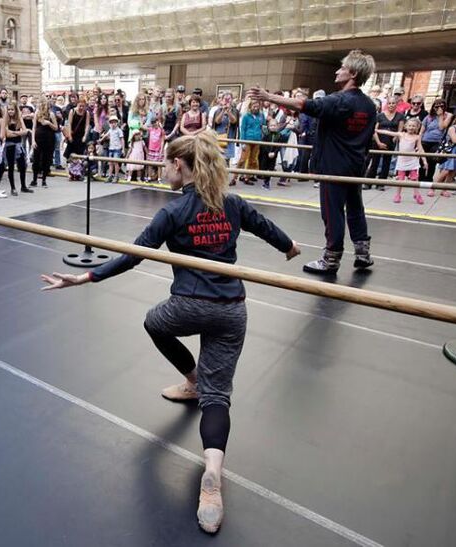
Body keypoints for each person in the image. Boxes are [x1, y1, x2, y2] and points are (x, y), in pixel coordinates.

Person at [41, 132, 300, 535]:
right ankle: (211, 473)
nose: (163, 169)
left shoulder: (174, 211)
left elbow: (133, 256)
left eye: (166, 163)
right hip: (232, 310)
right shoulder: (231, 203)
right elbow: (265, 227)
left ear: (179, 166)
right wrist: (290, 247)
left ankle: (192, 379)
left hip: (187, 307)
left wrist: (85, 277)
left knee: (152, 322)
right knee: (219, 397)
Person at [248, 49, 377, 274]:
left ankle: (331, 259)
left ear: (353, 73)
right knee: (355, 208)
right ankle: (363, 252)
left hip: (334, 167)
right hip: (356, 164)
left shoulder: (340, 101)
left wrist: (269, 97)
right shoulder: (368, 105)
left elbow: (303, 105)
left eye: (342, 68)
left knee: (333, 211)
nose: (337, 71)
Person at [375, 118, 428, 204]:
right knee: (401, 179)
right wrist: (376, 130)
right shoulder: (401, 134)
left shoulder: (417, 137)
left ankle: (417, 194)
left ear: (417, 127)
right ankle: (398, 195)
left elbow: (421, 149)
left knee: (414, 179)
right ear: (406, 126)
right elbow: (388, 132)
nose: (411, 127)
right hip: (402, 160)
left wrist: (424, 161)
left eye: (413, 126)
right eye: (410, 125)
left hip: (412, 160)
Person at [365, 98, 403, 189]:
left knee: (386, 163)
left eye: (393, 103)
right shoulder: (380, 116)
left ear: (396, 104)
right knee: (374, 162)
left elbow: (400, 130)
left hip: (391, 141)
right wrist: (378, 142)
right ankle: (368, 183)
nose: (391, 105)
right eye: (389, 103)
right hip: (378, 140)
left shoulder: (400, 116)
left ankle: (381, 184)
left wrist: (395, 138)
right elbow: (374, 130)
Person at [432, 109, 456, 195]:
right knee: (446, 170)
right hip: (452, 150)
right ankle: (433, 188)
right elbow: (455, 140)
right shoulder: (452, 128)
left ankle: (444, 189)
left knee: (453, 172)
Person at [420, 99, 453, 183]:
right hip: (425, 140)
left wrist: (441, 116)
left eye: (442, 106)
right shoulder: (428, 117)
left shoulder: (448, 115)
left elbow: (442, 127)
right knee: (422, 160)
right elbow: (422, 131)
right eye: (437, 106)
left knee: (432, 161)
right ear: (433, 107)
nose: (439, 108)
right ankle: (421, 178)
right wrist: (418, 143)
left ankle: (429, 179)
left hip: (437, 141)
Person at [2, 100, 31, 195]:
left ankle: (23, 186)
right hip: (10, 146)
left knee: (22, 166)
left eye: (12, 110)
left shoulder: (19, 118)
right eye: (9, 109)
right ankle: (13, 188)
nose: (10, 111)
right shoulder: (5, 120)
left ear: (16, 110)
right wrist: (19, 133)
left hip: (19, 145)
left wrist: (14, 132)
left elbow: (25, 131)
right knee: (10, 167)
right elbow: (7, 135)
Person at [233, 100, 265, 185]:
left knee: (252, 160)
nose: (256, 108)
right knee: (242, 159)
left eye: (257, 106)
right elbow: (242, 129)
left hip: (257, 139)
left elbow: (263, 126)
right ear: (250, 107)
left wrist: (262, 134)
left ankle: (247, 177)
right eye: (254, 106)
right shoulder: (246, 116)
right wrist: (242, 142)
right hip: (247, 139)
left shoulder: (261, 115)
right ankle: (234, 178)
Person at [31, 98, 58, 188]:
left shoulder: (51, 114)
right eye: (41, 104)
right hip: (38, 139)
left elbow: (56, 128)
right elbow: (34, 128)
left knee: (46, 160)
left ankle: (44, 180)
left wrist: (49, 123)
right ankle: (34, 180)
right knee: (36, 160)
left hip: (49, 140)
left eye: (44, 104)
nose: (42, 106)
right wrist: (33, 140)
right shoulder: (37, 114)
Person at [103, 115, 125, 183]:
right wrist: (100, 140)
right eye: (111, 123)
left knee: (116, 163)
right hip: (111, 148)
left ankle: (116, 176)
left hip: (117, 148)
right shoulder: (110, 130)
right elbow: (105, 135)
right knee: (110, 163)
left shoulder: (119, 130)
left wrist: (123, 149)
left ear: (117, 123)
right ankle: (110, 176)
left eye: (114, 122)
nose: (113, 124)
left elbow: (122, 140)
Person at [147, 111, 165, 182]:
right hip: (151, 149)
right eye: (153, 123)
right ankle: (149, 177)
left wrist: (161, 149)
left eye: (155, 122)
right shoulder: (151, 129)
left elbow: (163, 140)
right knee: (150, 164)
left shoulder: (161, 130)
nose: (154, 124)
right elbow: (143, 127)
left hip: (158, 149)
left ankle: (159, 178)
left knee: (159, 165)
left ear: (158, 122)